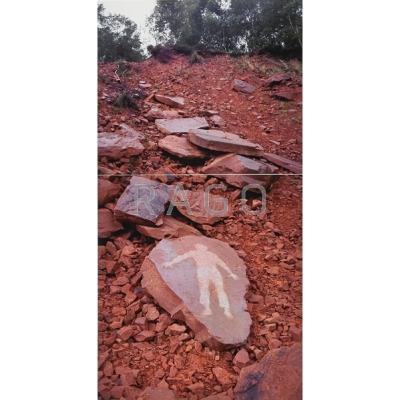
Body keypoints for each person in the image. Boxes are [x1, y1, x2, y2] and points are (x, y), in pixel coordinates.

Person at [163, 244, 238, 319]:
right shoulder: (194, 253)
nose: (202, 247)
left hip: (213, 270)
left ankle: (226, 309)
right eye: (200, 246)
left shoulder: (211, 254)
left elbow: (221, 263)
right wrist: (171, 262)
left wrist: (231, 273)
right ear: (197, 247)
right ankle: (207, 308)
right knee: (204, 289)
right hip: (202, 270)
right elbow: (182, 257)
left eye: (204, 246)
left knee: (220, 289)